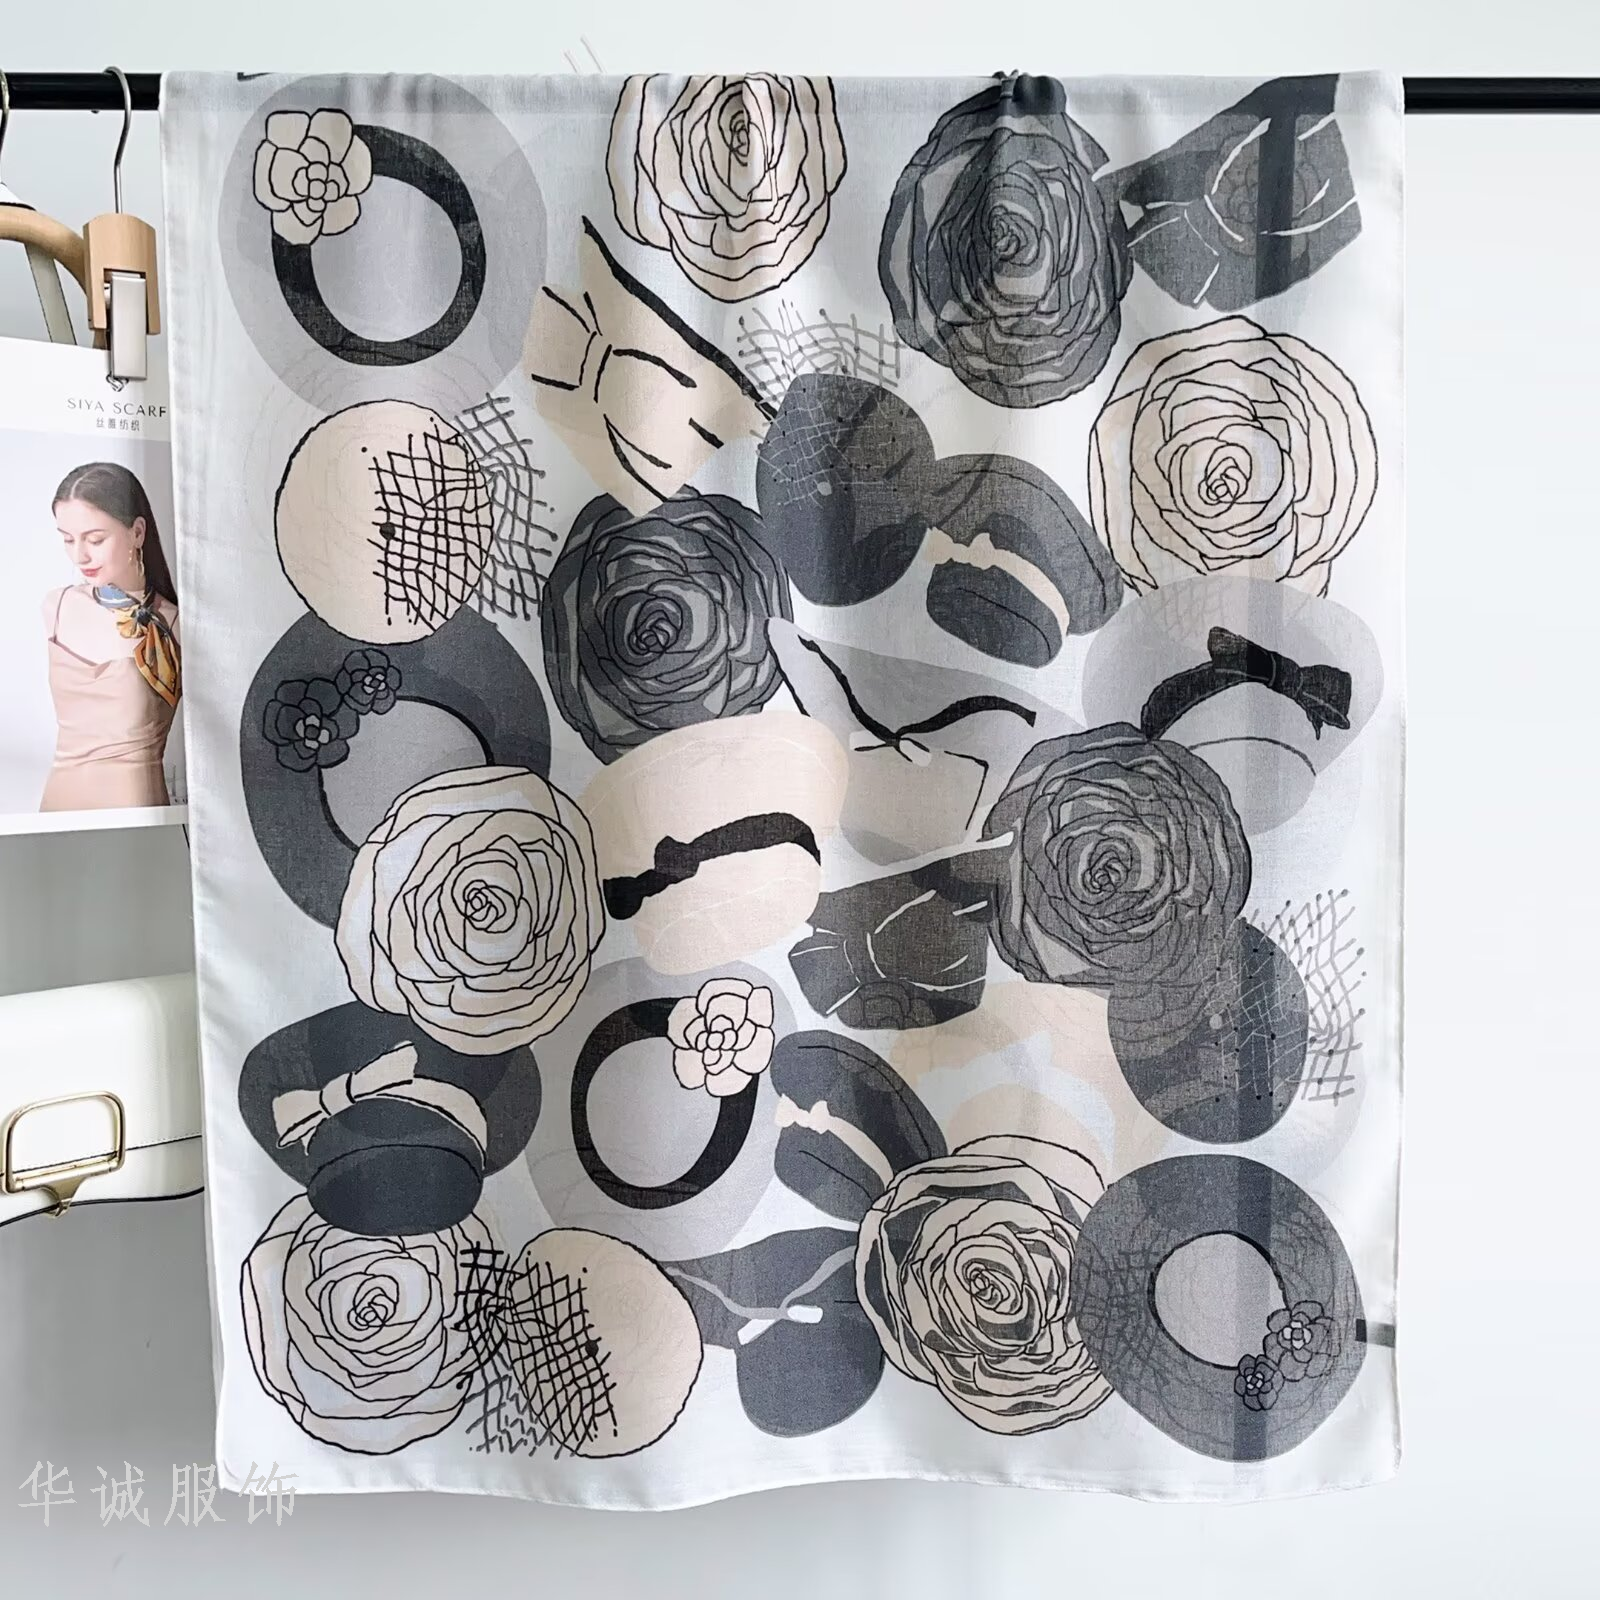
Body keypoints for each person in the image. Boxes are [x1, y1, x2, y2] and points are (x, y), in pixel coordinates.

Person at [40, 462, 181, 811]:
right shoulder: (56, 605)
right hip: (57, 810)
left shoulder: (175, 624)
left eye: (95, 539)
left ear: (137, 532)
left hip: (135, 813)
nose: (79, 555)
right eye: (67, 539)